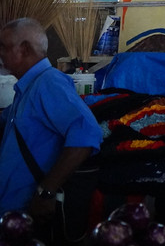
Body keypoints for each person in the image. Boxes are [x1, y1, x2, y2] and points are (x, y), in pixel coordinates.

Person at [0, 18, 101, 234]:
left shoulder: (48, 83)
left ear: (25, 49)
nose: (0, 53)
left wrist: (46, 191)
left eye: (4, 47)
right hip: (12, 213)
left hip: (29, 216)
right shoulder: (27, 87)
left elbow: (87, 134)